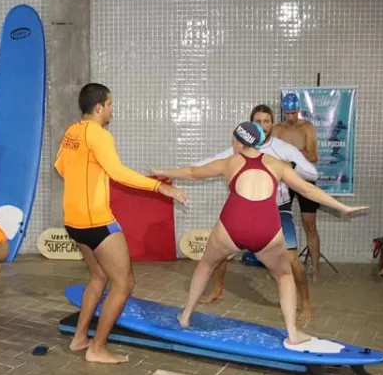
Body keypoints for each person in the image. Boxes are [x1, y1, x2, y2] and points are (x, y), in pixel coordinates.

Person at [156, 122, 368, 346]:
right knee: (284, 275)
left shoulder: (230, 162)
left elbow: (192, 172)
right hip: (266, 228)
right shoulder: (277, 165)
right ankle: (293, 333)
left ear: (238, 141)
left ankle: (186, 316)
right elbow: (308, 189)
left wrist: (164, 172)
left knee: (207, 264)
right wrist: (342, 207)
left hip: (232, 226)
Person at [54, 83, 188, 365]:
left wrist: (84, 183)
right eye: (110, 104)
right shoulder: (99, 135)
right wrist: (159, 187)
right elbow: (117, 172)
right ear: (99, 107)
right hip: (97, 222)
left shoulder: (71, 132)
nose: (112, 109)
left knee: (98, 277)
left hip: (73, 221)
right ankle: (97, 348)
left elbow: (61, 167)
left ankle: (80, 338)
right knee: (124, 283)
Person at [183, 104, 318, 318]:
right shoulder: (239, 148)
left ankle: (306, 303)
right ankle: (218, 289)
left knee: (291, 259)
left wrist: (289, 166)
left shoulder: (283, 148)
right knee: (221, 253)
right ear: (250, 124)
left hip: (277, 210)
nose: (263, 126)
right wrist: (182, 170)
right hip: (246, 209)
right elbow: (208, 164)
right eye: (258, 122)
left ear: (272, 123)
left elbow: (312, 174)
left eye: (266, 121)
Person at [273, 93, 322, 282]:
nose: (291, 117)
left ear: (298, 110)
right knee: (279, 224)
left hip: (305, 179)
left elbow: (313, 156)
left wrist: (290, 155)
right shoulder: (277, 129)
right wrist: (294, 155)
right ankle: (280, 268)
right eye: (287, 113)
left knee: (310, 225)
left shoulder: (306, 127)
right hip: (285, 179)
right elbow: (273, 155)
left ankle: (315, 269)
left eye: (293, 113)